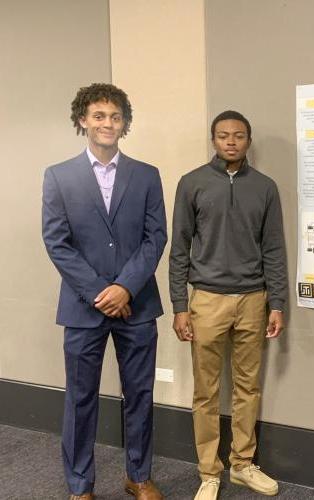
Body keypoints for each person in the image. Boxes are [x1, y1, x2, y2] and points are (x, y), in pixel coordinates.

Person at [42, 83, 167, 500]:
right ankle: (80, 484)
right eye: (98, 115)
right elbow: (57, 242)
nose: (107, 123)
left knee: (140, 395)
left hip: (138, 304)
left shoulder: (147, 175)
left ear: (124, 123)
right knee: (80, 400)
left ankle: (139, 475)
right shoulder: (58, 176)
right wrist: (102, 292)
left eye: (115, 116)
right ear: (83, 120)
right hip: (83, 307)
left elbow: (156, 238)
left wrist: (125, 288)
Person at [169, 110, 288, 499]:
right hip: (206, 299)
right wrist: (179, 305)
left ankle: (242, 464)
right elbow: (179, 249)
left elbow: (273, 249)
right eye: (223, 136)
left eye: (238, 136)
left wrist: (277, 302)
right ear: (213, 140)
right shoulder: (192, 184)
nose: (231, 142)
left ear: (248, 141)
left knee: (247, 387)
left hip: (253, 300)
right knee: (205, 391)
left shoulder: (266, 187)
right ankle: (209, 472)